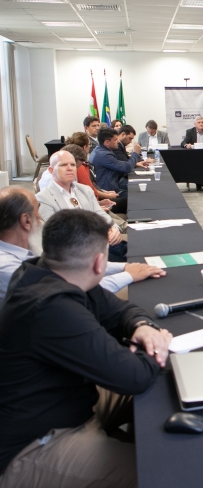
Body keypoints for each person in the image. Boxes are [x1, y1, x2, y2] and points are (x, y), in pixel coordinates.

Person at [0, 209, 172, 488]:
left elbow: (120, 311)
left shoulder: (52, 272)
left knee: (166, 382)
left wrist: (142, 326)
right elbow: (134, 377)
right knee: (163, 472)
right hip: (35, 444)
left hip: (69, 402)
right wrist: (157, 346)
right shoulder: (51, 307)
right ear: (99, 262)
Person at [0, 187, 164, 300]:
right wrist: (129, 275)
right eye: (37, 209)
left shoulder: (25, 247)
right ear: (26, 221)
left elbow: (69, 265)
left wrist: (125, 267)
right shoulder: (7, 266)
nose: (39, 216)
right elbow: (70, 289)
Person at [38, 151, 128, 262]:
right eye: (63, 165)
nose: (70, 168)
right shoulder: (43, 198)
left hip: (103, 243)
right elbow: (56, 235)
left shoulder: (85, 190)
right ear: (51, 170)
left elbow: (99, 213)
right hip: (76, 253)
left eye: (72, 165)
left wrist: (113, 228)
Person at [90, 128, 143, 198]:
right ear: (107, 142)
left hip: (110, 188)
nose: (118, 141)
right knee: (138, 196)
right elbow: (127, 168)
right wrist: (135, 153)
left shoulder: (100, 150)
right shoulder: (104, 155)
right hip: (108, 193)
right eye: (115, 140)